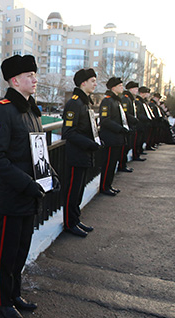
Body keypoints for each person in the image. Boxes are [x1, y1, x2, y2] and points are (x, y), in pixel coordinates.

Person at [0, 53, 47, 318]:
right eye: (30, 76)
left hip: (30, 194)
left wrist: (49, 176)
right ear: (15, 80)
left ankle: (15, 293)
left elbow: (38, 151)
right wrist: (28, 184)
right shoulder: (4, 110)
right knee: (7, 252)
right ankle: (2, 299)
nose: (35, 80)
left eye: (35, 75)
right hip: (14, 194)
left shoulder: (32, 110)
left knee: (22, 249)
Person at [62, 68, 100, 235]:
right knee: (72, 191)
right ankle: (70, 223)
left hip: (84, 154)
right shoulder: (74, 103)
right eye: (92, 81)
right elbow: (68, 132)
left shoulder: (84, 102)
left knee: (79, 191)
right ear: (83, 83)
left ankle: (76, 219)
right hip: (76, 155)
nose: (95, 84)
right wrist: (90, 144)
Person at [98, 77, 129, 194]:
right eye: (120, 85)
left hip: (117, 138)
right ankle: (104, 187)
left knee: (112, 164)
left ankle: (109, 185)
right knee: (108, 164)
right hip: (110, 138)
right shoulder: (107, 100)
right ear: (113, 87)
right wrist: (120, 129)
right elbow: (105, 120)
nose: (122, 87)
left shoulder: (116, 100)